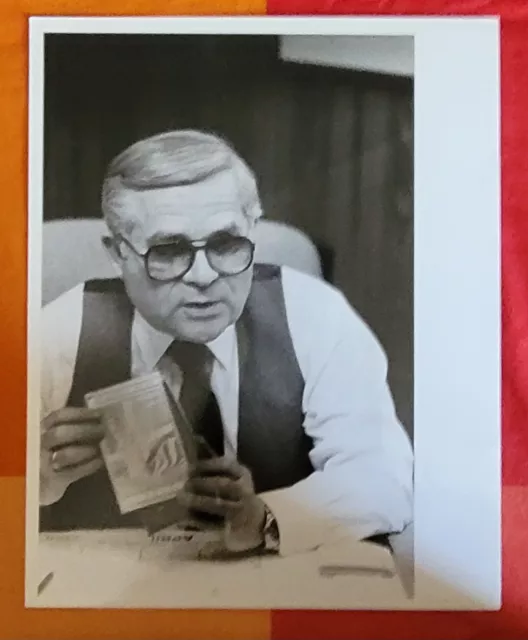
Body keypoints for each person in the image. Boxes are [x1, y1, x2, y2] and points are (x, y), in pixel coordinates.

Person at [39, 129, 413, 557]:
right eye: (168, 249)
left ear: (252, 232)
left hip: (274, 583)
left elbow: (383, 476)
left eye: (227, 243)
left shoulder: (314, 316)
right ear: (118, 253)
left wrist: (266, 518)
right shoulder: (63, 331)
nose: (203, 276)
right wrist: (37, 478)